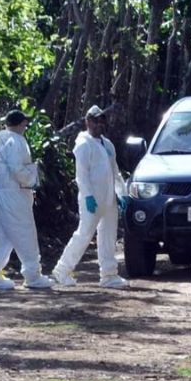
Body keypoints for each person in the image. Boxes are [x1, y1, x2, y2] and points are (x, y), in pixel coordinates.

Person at [51, 105, 128, 288]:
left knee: (108, 236)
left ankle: (109, 275)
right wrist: (88, 196)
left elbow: (114, 171)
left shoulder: (107, 144)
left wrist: (122, 193)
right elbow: (81, 174)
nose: (99, 124)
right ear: (88, 122)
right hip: (92, 199)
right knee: (84, 234)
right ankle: (62, 270)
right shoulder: (84, 144)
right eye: (95, 121)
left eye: (102, 121)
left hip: (109, 199)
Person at [0, 109, 54, 291]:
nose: (26, 126)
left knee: (3, 235)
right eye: (24, 123)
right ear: (20, 124)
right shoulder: (16, 141)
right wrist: (32, 179)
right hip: (13, 194)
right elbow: (18, 170)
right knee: (25, 233)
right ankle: (33, 275)